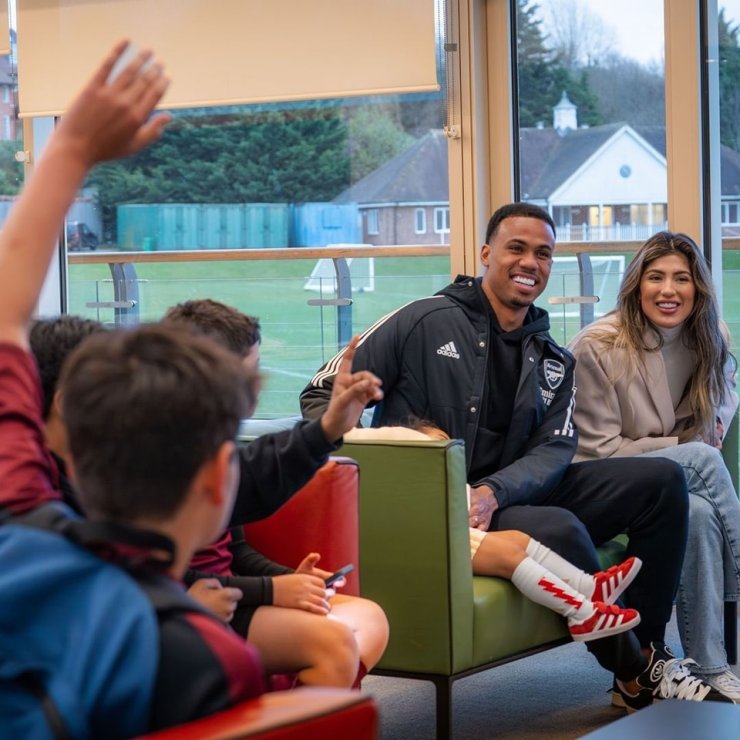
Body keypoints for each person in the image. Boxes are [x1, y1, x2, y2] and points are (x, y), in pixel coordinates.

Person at [301, 201, 732, 710]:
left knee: (662, 482)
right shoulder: (422, 320)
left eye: (544, 253)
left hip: (508, 493)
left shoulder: (552, 357)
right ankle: (635, 668)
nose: (531, 262)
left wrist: (494, 491)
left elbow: (555, 449)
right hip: (445, 504)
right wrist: (394, 435)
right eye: (517, 248)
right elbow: (318, 397)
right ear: (486, 253)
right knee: (561, 530)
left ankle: (654, 647)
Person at [0, 42, 269, 732]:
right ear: (218, 475)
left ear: (75, 452)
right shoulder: (208, 662)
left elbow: (4, 314)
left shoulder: (17, 536)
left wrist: (71, 148)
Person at [163, 298, 389, 688]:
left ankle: (288, 699)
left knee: (370, 619)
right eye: (252, 375)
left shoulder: (216, 443)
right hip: (208, 603)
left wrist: (292, 580)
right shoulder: (156, 456)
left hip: (233, 594)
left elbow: (234, 550)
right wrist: (271, 590)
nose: (256, 391)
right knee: (334, 643)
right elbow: (160, 574)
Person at [568, 230, 740, 702]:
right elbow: (598, 449)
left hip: (665, 482)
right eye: (656, 277)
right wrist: (675, 446)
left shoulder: (709, 336)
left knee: (701, 514)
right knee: (702, 460)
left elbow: (720, 407)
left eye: (681, 278)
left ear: (698, 288)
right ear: (636, 285)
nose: (669, 290)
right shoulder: (597, 345)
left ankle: (711, 667)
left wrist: (698, 435)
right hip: (599, 480)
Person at [346, 424, 642, 642]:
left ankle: (588, 587)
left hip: (453, 534)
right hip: (436, 540)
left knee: (518, 539)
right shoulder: (404, 476)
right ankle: (581, 613)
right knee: (509, 553)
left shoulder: (450, 483)